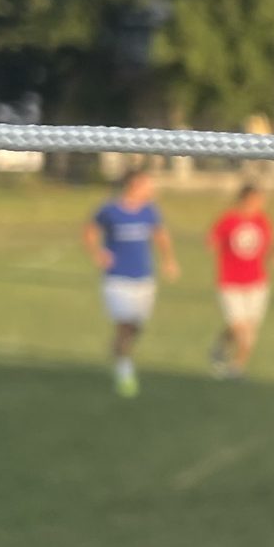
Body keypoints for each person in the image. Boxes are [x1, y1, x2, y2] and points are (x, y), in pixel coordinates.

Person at [82, 168, 178, 397]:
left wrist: (169, 261)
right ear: (133, 185)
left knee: (136, 325)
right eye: (147, 184)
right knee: (124, 324)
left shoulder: (149, 211)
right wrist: (98, 253)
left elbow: (161, 235)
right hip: (117, 278)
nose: (151, 189)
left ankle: (118, 351)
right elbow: (89, 230)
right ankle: (124, 372)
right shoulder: (110, 210)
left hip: (144, 277)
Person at [208, 183, 274, 379]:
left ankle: (236, 367)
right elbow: (213, 238)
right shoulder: (229, 220)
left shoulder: (261, 220)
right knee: (239, 327)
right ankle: (220, 346)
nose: (262, 202)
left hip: (256, 282)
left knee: (250, 330)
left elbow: (268, 243)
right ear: (246, 199)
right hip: (231, 282)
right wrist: (213, 244)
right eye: (258, 198)